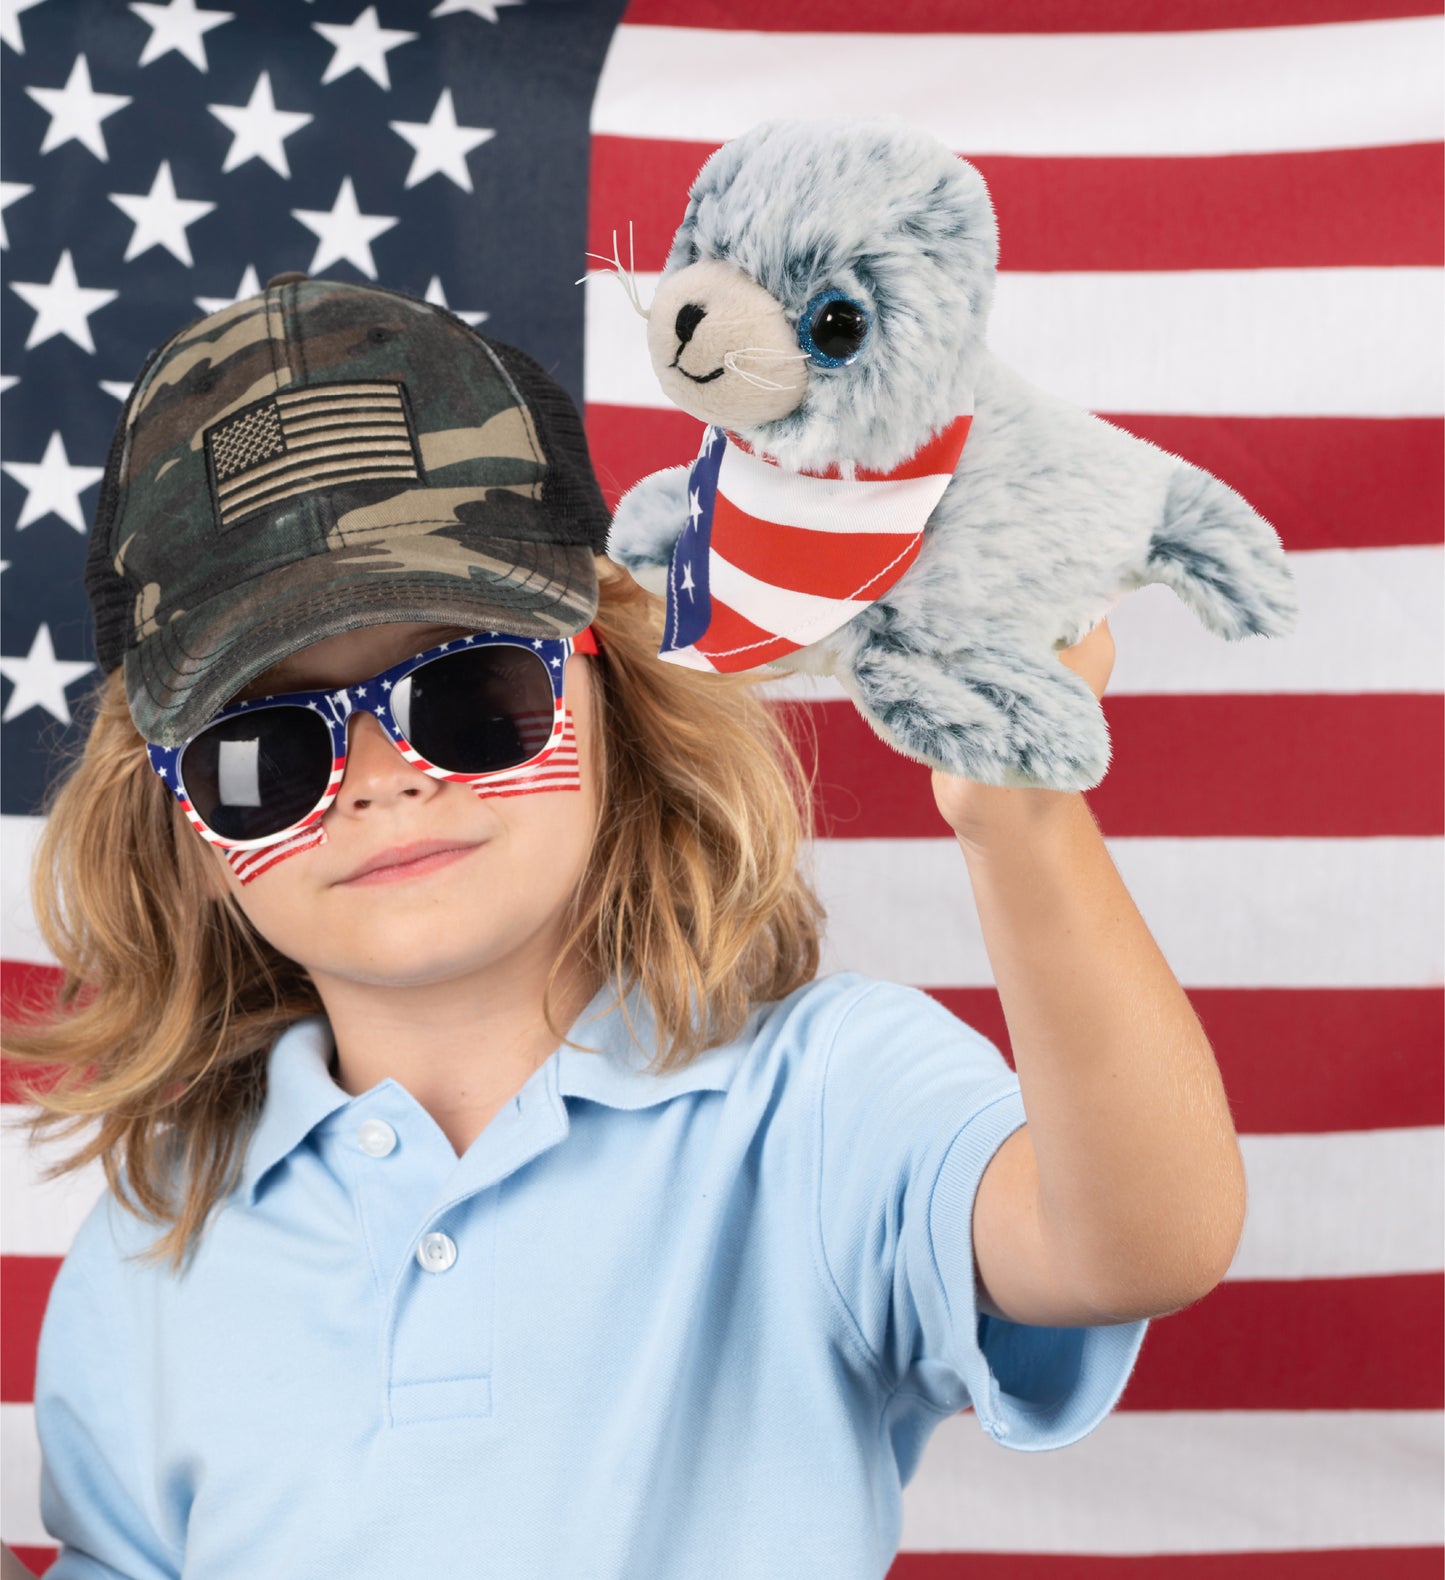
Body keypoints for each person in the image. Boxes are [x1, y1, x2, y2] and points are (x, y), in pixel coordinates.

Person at [6, 276, 1247, 1580]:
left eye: (466, 691)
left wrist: (1020, 821)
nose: (379, 776)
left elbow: (1136, 1246)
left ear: (616, 687)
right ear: (186, 832)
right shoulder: (157, 1238)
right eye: (261, 750)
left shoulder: (817, 1105)